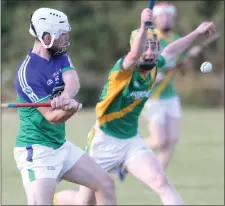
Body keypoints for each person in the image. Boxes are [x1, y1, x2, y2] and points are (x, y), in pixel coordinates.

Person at [53, 7, 216, 206]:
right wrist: (143, 26)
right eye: (145, 48)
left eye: (154, 47)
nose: (150, 53)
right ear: (135, 50)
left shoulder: (155, 66)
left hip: (131, 143)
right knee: (84, 203)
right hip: (103, 144)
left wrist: (196, 33)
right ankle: (57, 199)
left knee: (161, 181)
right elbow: (133, 55)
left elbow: (171, 50)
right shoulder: (121, 72)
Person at [13, 7, 117, 205]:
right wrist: (68, 110)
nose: (65, 40)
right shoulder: (27, 73)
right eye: (61, 35)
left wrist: (66, 96)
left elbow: (72, 79)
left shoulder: (59, 56)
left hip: (59, 145)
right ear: (46, 37)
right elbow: (52, 117)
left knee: (105, 185)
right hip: (36, 151)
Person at [137, 2, 190, 170]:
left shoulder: (177, 40)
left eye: (169, 16)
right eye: (162, 16)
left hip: (171, 96)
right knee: (159, 142)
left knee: (172, 140)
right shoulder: (152, 39)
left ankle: (157, 177)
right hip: (154, 97)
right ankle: (126, 153)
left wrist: (185, 62)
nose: (166, 19)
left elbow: (183, 71)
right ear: (156, 19)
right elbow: (143, 66)